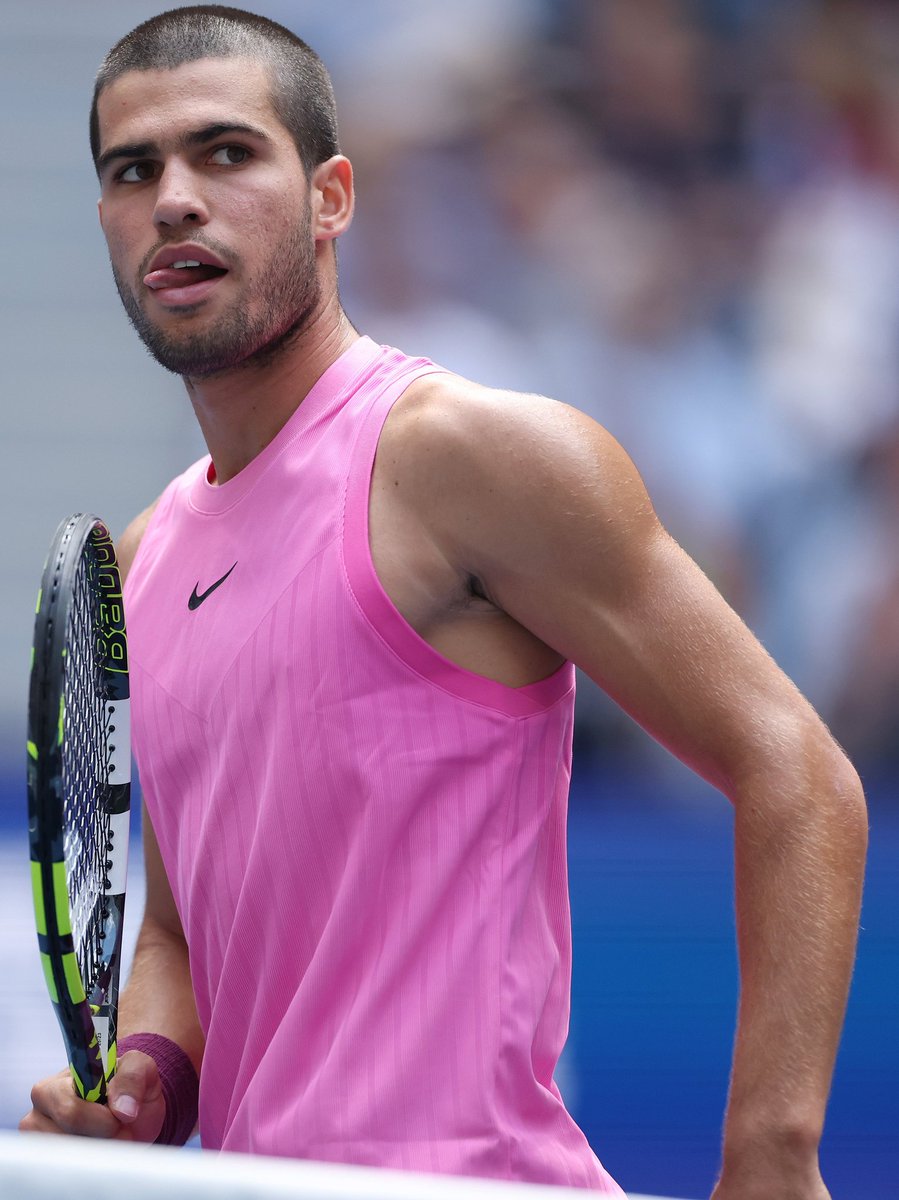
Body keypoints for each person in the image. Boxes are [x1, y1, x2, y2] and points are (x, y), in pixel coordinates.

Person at [21, 7, 867, 1199]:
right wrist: (151, 1069)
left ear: (331, 198)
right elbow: (176, 933)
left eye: (225, 152)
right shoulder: (148, 557)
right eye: (133, 169)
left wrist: (769, 1151)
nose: (173, 198)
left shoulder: (471, 457)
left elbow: (796, 771)